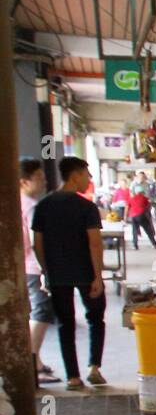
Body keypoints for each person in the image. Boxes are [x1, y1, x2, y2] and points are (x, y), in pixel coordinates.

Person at [31, 156, 106, 389]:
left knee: (65, 325)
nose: (89, 179)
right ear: (75, 176)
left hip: (58, 275)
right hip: (85, 272)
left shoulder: (43, 206)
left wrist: (46, 270)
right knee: (95, 319)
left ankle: (73, 377)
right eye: (87, 174)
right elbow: (94, 242)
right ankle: (94, 367)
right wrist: (97, 275)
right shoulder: (86, 207)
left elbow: (38, 244)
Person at [20, 159, 57, 384]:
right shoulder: (31, 207)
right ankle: (32, 363)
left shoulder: (17, 203)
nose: (44, 182)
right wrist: (44, 271)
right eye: (39, 178)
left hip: (24, 267)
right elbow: (36, 242)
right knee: (41, 313)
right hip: (33, 268)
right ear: (24, 181)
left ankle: (36, 360)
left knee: (34, 312)